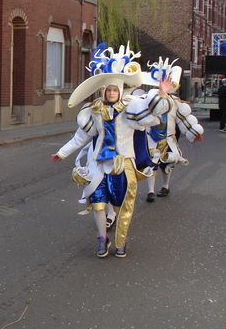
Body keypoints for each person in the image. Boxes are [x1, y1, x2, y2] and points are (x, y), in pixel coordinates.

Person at [51, 43, 171, 258]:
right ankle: (101, 238)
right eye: (109, 90)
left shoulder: (130, 109)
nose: (112, 93)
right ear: (103, 91)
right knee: (97, 203)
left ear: (120, 90)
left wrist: (161, 94)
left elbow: (152, 113)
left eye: (115, 89)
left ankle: (121, 240)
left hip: (123, 164)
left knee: (121, 204)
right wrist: (62, 153)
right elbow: (81, 137)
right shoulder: (94, 111)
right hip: (98, 165)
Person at [136, 58, 204, 202]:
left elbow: (184, 119)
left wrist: (194, 132)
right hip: (150, 138)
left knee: (166, 163)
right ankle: (150, 191)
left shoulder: (175, 102)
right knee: (151, 163)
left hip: (168, 138)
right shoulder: (147, 100)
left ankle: (165, 186)